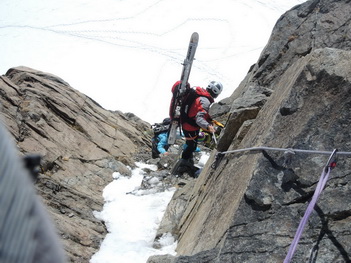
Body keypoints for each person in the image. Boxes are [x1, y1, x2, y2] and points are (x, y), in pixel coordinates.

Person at [172, 80, 223, 175]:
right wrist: (208, 126)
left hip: (186, 123)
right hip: (190, 126)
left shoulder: (200, 94)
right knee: (191, 145)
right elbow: (199, 119)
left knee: (191, 144)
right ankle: (181, 166)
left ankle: (186, 160)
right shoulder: (206, 101)